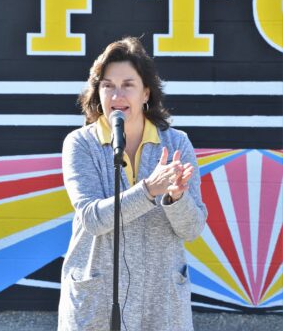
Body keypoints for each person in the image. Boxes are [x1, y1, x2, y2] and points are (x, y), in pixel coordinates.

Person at [58, 37, 208, 331]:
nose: (117, 95)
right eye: (108, 85)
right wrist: (149, 190)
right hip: (97, 301)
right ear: (97, 92)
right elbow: (92, 218)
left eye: (128, 84)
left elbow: (192, 229)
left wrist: (176, 200)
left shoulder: (177, 143)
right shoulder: (80, 144)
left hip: (161, 301)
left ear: (146, 93)